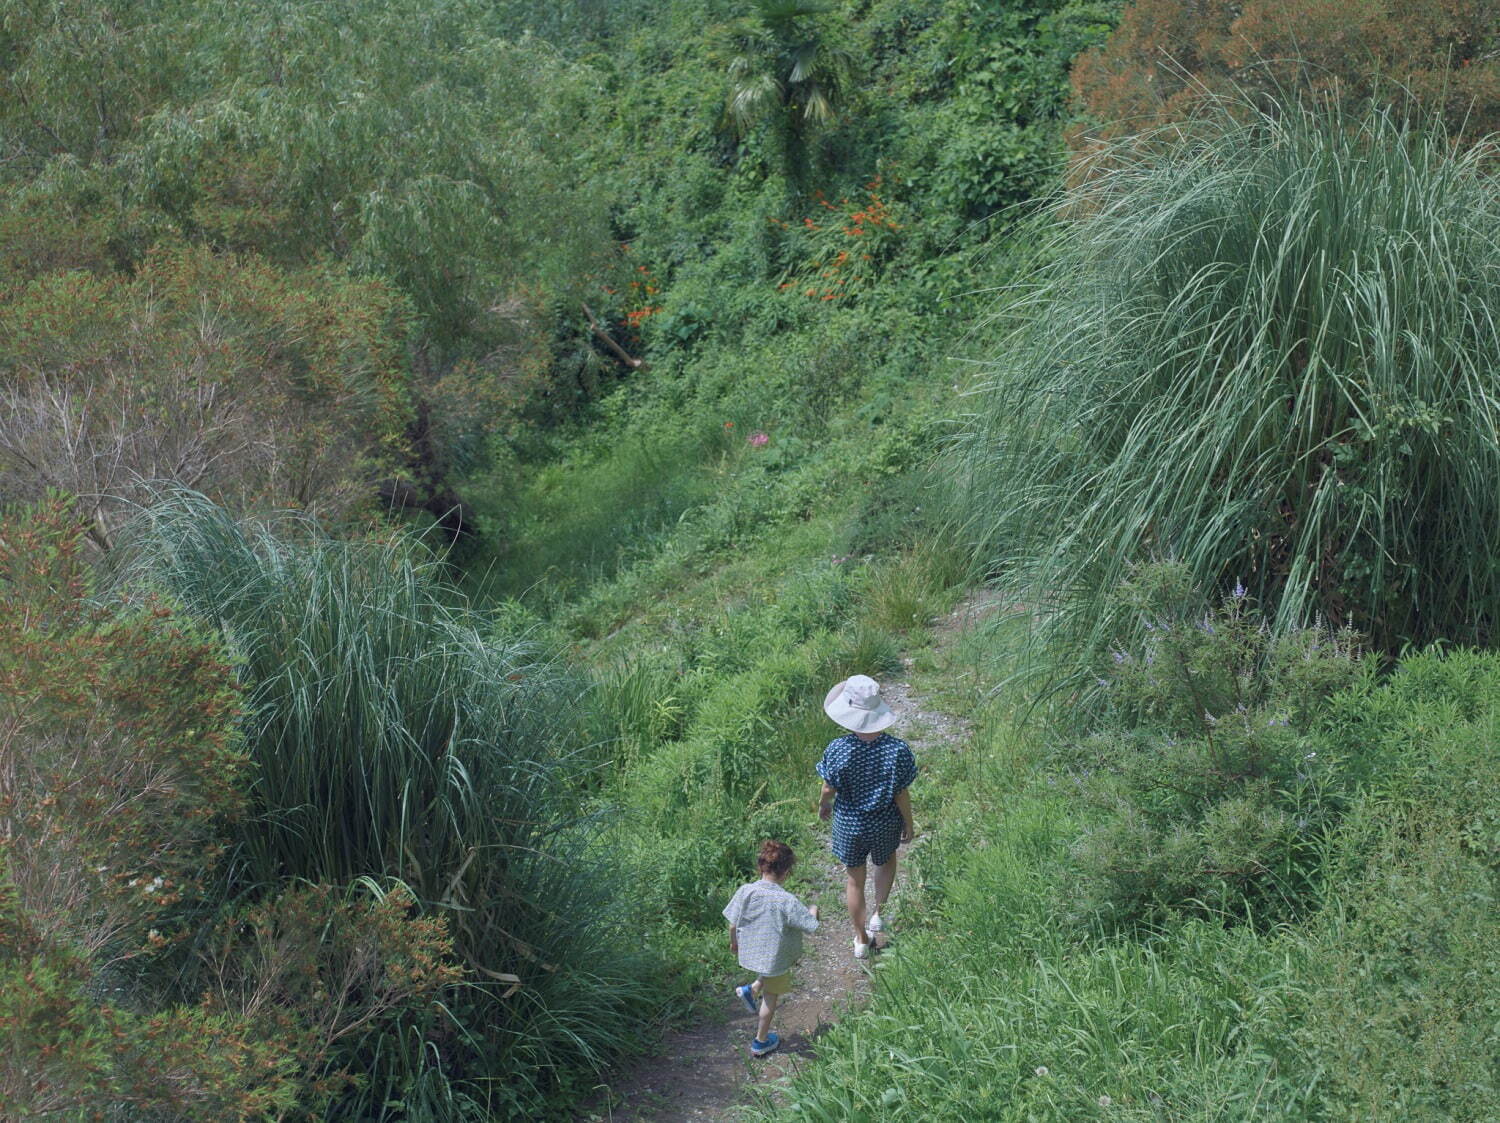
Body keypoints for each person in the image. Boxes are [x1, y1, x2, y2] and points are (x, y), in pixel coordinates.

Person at [817, 674, 916, 959]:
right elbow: (901, 794)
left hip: (850, 823)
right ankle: (878, 914)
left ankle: (861, 940)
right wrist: (909, 822)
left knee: (854, 880)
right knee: (885, 862)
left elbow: (828, 788)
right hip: (885, 821)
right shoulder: (898, 751)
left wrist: (824, 805)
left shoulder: (838, 749)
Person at [723, 840, 819, 1058]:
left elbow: (732, 923)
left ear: (761, 867)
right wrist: (813, 910)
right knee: (771, 996)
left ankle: (752, 989)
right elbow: (810, 926)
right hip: (775, 957)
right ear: (786, 872)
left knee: (768, 973)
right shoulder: (786, 900)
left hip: (752, 950)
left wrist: (734, 943)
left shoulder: (746, 890)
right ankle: (761, 1040)